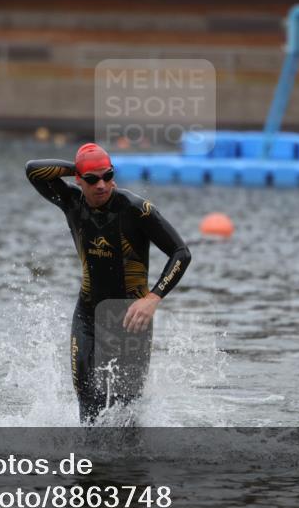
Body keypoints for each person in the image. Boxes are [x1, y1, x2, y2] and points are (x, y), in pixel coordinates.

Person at [26, 143, 192, 424]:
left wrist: (153, 298)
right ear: (79, 180)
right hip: (88, 314)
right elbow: (33, 170)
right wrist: (80, 167)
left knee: (125, 407)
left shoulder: (136, 209)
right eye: (92, 179)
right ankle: (86, 454)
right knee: (87, 399)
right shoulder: (71, 201)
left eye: (107, 176)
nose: (101, 185)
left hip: (131, 317)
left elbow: (181, 253)